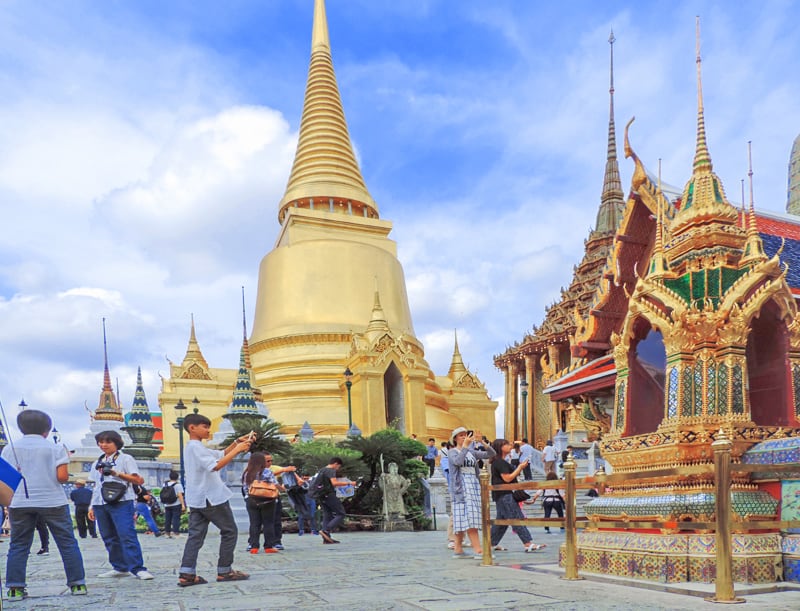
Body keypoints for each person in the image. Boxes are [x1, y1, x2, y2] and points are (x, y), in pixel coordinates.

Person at [2, 409, 87, 600]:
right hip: (52, 500)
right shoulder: (55, 448)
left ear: (21, 428)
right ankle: (77, 584)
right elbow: (62, 477)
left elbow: (5, 479)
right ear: (47, 430)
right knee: (67, 543)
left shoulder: (10, 449)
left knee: (18, 545)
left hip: (20, 501)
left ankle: (15, 588)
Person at [177, 413, 253, 587]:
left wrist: (236, 442)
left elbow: (220, 454)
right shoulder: (196, 447)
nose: (208, 430)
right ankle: (225, 570)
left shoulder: (194, 447)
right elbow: (216, 465)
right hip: (211, 497)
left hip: (197, 498)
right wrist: (238, 450)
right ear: (192, 428)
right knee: (229, 531)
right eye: (205, 427)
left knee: (195, 536)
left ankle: (187, 573)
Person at [88, 430, 154, 580]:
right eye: (101, 442)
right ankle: (119, 566)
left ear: (116, 443)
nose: (104, 445)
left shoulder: (125, 459)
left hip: (122, 501)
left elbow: (138, 480)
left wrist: (115, 473)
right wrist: (91, 506)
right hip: (100, 502)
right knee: (108, 536)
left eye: (108, 442)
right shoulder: (96, 463)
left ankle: (137, 568)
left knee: (126, 534)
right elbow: (96, 485)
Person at [489, 439, 546, 553]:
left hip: (502, 495)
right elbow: (507, 478)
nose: (510, 446)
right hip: (505, 494)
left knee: (502, 521)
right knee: (516, 517)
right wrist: (519, 468)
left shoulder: (501, 461)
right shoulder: (499, 462)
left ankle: (490, 543)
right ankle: (528, 543)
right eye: (506, 444)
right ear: (500, 447)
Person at [448, 427, 496, 558]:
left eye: (465, 435)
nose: (464, 437)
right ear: (455, 438)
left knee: (465, 518)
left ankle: (458, 549)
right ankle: (478, 550)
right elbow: (457, 462)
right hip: (461, 487)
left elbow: (491, 454)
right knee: (466, 518)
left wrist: (483, 443)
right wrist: (464, 447)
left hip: (473, 485)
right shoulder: (452, 452)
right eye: (461, 435)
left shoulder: (471, 452)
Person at [241, 452, 281, 554]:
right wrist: (282, 488)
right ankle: (268, 546)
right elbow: (274, 484)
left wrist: (247, 498)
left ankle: (254, 547)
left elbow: (245, 488)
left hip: (252, 499)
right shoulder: (267, 472)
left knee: (254, 523)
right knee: (268, 523)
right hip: (267, 500)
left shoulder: (247, 473)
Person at [312, 457, 354, 544]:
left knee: (327, 514)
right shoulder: (330, 470)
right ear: (336, 464)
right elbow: (334, 483)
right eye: (338, 467)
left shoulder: (321, 470)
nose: (337, 468)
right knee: (341, 513)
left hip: (320, 495)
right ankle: (326, 530)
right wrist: (349, 483)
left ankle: (326, 538)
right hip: (328, 494)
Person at [280, 465, 314, 536]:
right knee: (301, 515)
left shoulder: (311, 482)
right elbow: (286, 488)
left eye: (307, 477)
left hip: (310, 500)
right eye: (304, 476)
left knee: (311, 515)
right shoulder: (293, 480)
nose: (305, 478)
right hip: (300, 500)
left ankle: (313, 530)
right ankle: (301, 530)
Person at [161, 470, 185, 538]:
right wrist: (183, 504)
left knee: (167, 519)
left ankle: (167, 533)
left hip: (167, 504)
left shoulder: (165, 484)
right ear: (177, 477)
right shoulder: (178, 485)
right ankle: (176, 533)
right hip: (176, 503)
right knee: (176, 518)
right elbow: (180, 495)